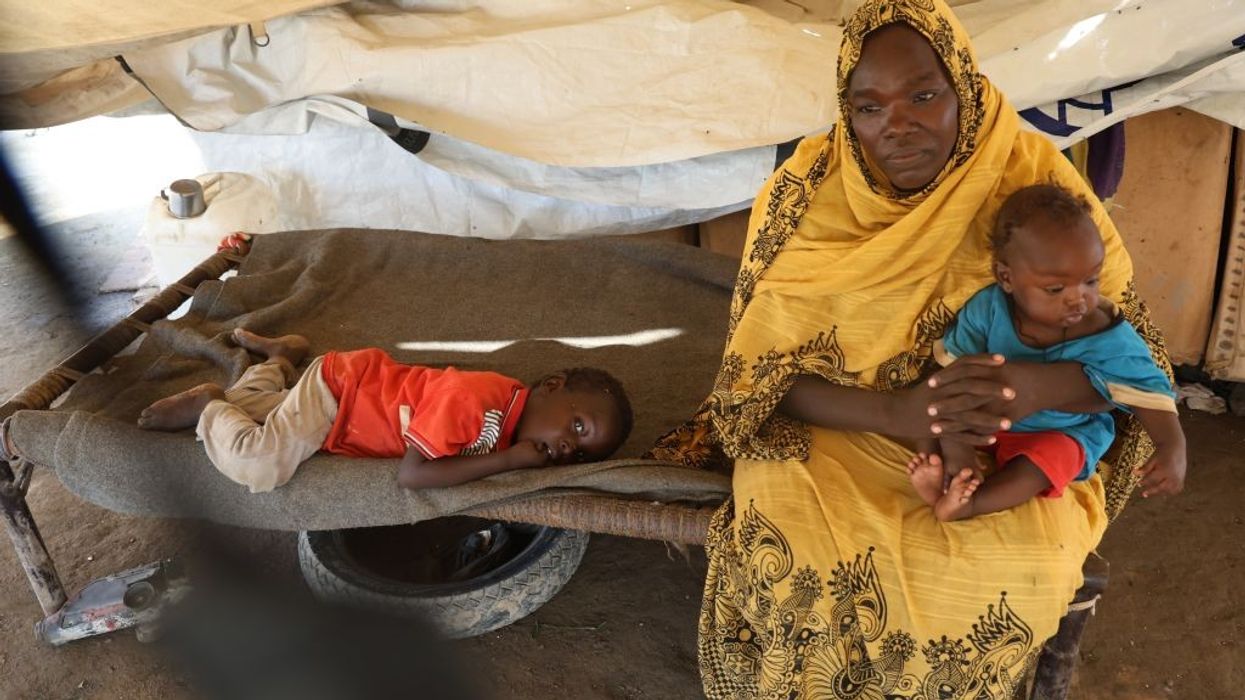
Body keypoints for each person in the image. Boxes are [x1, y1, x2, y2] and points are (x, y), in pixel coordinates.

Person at [645, 1, 1176, 696]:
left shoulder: (1031, 189)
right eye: (869, 108)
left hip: (1010, 443)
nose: (896, 125)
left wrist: (1034, 389)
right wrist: (898, 414)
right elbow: (757, 386)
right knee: (796, 553)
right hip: (841, 429)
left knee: (990, 574)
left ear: (961, 84)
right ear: (848, 112)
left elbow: (1132, 363)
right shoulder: (806, 201)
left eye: (924, 95)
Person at [907, 184, 1185, 521]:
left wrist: (1172, 448)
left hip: (1057, 430)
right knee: (937, 413)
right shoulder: (988, 309)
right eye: (1056, 288)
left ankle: (969, 504)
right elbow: (952, 375)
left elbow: (1149, 391)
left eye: (1091, 281)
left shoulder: (1105, 333)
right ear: (1006, 277)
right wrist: (959, 448)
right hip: (988, 420)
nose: (1078, 298)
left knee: (1047, 462)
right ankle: (951, 476)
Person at [138, 328, 632, 492]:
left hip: (343, 405)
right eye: (578, 425)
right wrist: (510, 461)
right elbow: (413, 475)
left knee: (248, 408)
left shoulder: (509, 425)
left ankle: (281, 360)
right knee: (261, 462)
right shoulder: (478, 400)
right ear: (550, 386)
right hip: (342, 393)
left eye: (580, 453)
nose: (568, 447)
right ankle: (206, 405)